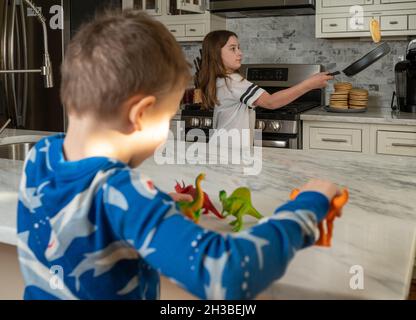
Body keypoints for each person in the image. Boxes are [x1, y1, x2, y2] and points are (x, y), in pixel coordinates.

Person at [17, 10, 341, 300]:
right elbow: (227, 275)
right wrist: (308, 206)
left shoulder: (39, 158)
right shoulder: (123, 194)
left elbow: (89, 211)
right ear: (140, 115)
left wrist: (158, 203)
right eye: (167, 118)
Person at [198, 30, 333, 133]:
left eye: (239, 47)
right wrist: (309, 84)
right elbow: (271, 102)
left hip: (221, 146)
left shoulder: (218, 80)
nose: (240, 53)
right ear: (216, 54)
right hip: (232, 151)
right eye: (233, 48)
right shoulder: (234, 81)